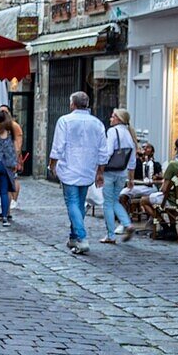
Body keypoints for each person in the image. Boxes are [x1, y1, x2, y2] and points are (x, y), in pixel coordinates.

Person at [49, 91, 110, 255]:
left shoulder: (65, 121)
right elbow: (103, 150)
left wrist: (52, 165)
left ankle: (82, 238)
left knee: (72, 203)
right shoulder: (97, 123)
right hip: (87, 169)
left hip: (69, 167)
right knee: (79, 203)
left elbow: (58, 146)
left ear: (72, 104)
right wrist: (100, 171)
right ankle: (74, 236)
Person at [100, 109, 138, 244]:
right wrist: (131, 179)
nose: (110, 119)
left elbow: (108, 152)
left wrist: (100, 170)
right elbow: (133, 160)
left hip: (110, 172)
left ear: (118, 119)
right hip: (122, 173)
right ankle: (127, 224)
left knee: (108, 203)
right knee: (114, 201)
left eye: (112, 116)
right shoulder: (129, 134)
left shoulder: (113, 132)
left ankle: (111, 235)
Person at [0, 103, 24, 210]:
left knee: (13, 178)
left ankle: (14, 200)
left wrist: (15, 156)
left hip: (11, 156)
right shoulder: (0, 126)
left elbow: (18, 141)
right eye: (1, 112)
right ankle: (5, 198)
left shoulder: (14, 125)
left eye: (5, 112)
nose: (3, 114)